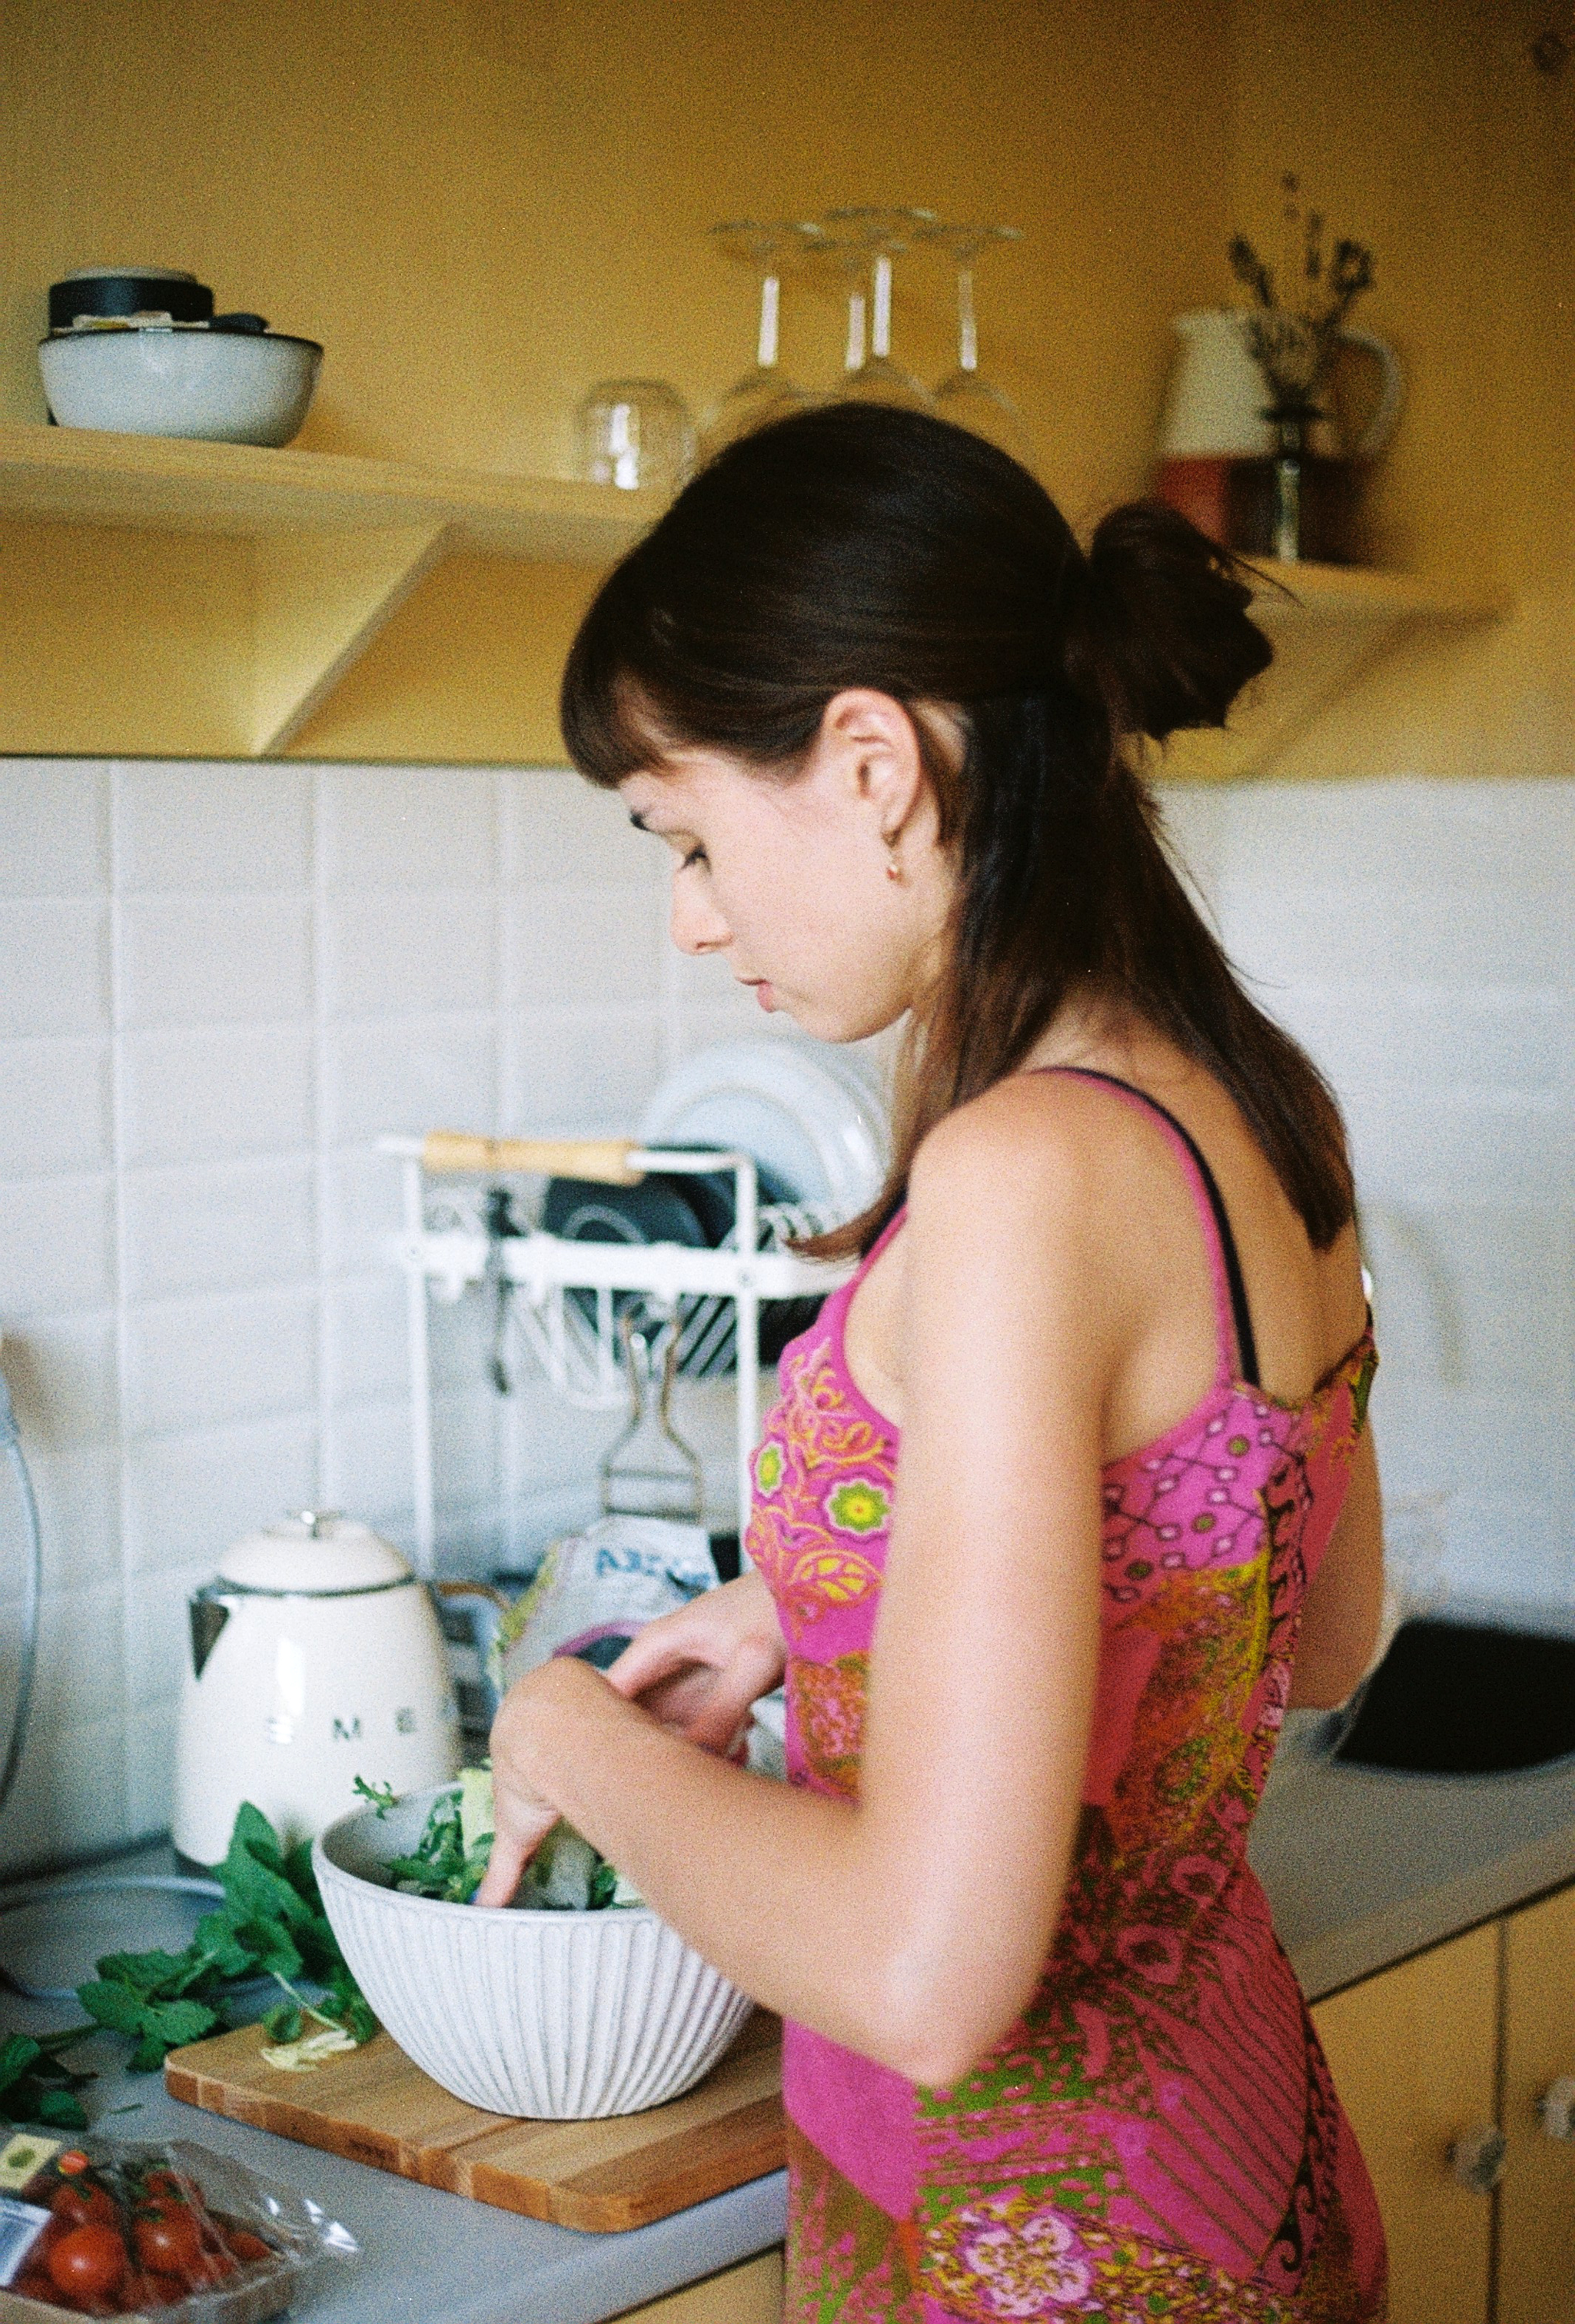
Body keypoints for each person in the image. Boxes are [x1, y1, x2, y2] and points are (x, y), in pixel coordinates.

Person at [477, 402, 1388, 2323]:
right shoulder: (1249, 1097)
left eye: (690, 830)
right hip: (1246, 2180)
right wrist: (794, 1601)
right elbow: (1306, 1633)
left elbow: (924, 1972)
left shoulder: (1011, 1177)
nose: (690, 913)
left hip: (1034, 2250)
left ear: (871, 761)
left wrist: (564, 1733)